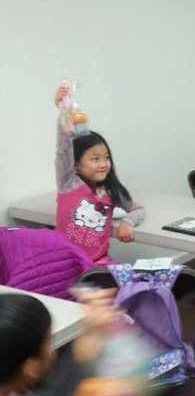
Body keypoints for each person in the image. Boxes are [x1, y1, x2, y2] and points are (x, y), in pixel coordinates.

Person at [54, 86, 145, 263]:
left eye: (106, 158)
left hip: (98, 262)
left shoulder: (111, 191)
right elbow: (63, 150)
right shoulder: (68, 183)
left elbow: (137, 209)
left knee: (132, 279)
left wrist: (127, 222)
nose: (103, 164)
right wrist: (64, 112)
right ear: (76, 164)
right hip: (66, 262)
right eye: (95, 159)